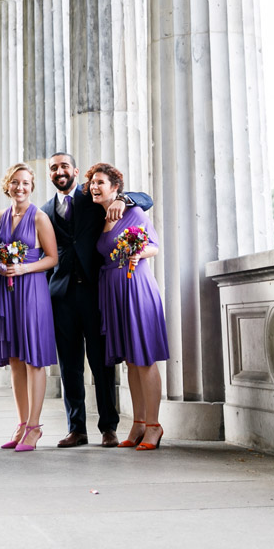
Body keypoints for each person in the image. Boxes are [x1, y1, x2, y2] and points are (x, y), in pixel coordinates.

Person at [44, 152, 153, 448]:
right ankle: (76, 427)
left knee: (102, 362)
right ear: (49, 174)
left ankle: (109, 427)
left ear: (75, 171)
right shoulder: (44, 210)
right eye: (53, 168)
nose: (59, 171)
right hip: (61, 295)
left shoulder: (92, 198)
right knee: (69, 364)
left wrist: (123, 200)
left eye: (64, 166)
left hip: (95, 293)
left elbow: (145, 198)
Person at [88, 162, 169, 450]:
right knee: (131, 362)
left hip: (135, 286)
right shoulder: (99, 216)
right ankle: (138, 422)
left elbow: (154, 246)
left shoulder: (132, 211)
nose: (94, 187)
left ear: (116, 188)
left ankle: (154, 426)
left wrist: (137, 254)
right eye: (92, 183)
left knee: (144, 358)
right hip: (112, 290)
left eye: (100, 182)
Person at [0, 163, 59, 452]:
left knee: (34, 359)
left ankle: (35, 427)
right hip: (6, 292)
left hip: (32, 290)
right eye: (16, 183)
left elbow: (53, 258)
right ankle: (21, 424)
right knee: (15, 359)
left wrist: (24, 269)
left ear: (32, 187)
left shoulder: (40, 218)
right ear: (7, 185)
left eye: (26, 183)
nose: (21, 188)